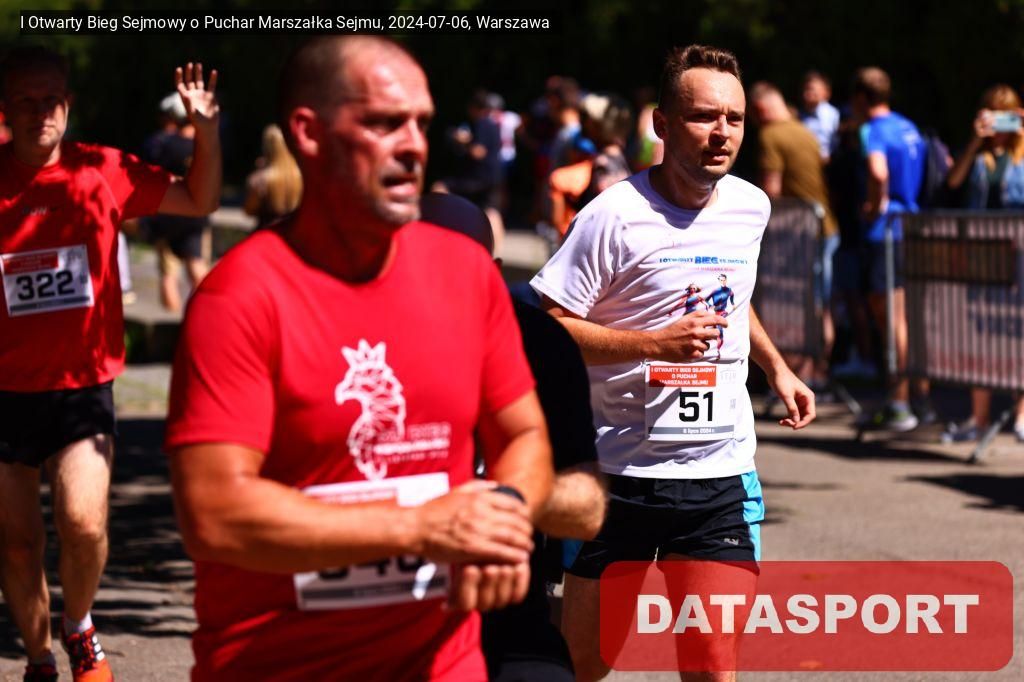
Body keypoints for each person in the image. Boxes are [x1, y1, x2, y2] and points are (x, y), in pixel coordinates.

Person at [164, 37, 554, 681]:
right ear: (309, 133)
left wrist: (503, 515)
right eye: (384, 123)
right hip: (279, 666)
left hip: (443, 662)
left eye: (421, 123)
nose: (414, 145)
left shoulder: (464, 272)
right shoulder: (240, 295)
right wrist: (420, 529)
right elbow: (213, 512)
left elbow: (524, 436)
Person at [530, 44, 816, 682]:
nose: (722, 133)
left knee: (711, 667)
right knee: (586, 664)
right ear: (662, 124)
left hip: (720, 476)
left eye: (734, 119)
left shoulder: (751, 206)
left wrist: (776, 367)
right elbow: (550, 329)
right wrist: (652, 345)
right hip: (617, 476)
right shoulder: (612, 216)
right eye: (704, 116)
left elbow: (731, 295)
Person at [0, 46, 221, 682]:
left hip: (81, 385)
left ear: (67, 105)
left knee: (82, 521)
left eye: (51, 100)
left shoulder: (102, 168)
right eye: (26, 101)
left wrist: (205, 132)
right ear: (6, 110)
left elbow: (199, 199)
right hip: (4, 390)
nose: (41, 113)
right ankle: (39, 659)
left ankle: (79, 626)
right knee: (17, 543)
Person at [420, 191, 607, 682]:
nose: (440, 280)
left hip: (506, 609)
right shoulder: (354, 336)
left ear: (493, 271)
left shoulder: (538, 342)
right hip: (382, 609)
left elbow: (586, 506)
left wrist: (493, 498)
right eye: (424, 261)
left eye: (461, 264)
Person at [851, 66, 933, 431]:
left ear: (861, 98)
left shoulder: (874, 129)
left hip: (885, 232)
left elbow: (878, 171)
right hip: (910, 226)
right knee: (907, 318)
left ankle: (900, 403)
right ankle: (919, 397)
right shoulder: (908, 126)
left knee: (892, 319)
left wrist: (873, 207)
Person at [942, 84, 1024, 443]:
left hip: (1018, 255)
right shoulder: (977, 156)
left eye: (1008, 116)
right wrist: (975, 141)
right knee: (980, 335)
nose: (1001, 126)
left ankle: (1021, 415)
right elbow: (953, 182)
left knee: (1017, 332)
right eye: (995, 115)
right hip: (982, 256)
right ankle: (978, 417)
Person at [749, 80, 840, 390]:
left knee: (796, 305)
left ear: (760, 110)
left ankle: (803, 376)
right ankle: (818, 373)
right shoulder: (804, 130)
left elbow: (770, 191)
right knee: (818, 304)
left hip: (799, 235)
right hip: (824, 229)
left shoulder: (771, 134)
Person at [140, 92, 212, 313]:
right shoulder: (203, 145)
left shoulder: (161, 143)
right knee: (197, 265)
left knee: (169, 273)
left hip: (167, 214)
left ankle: (171, 320)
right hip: (196, 215)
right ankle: (207, 313)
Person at [243, 124, 302, 228]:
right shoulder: (301, 177)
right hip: (295, 233)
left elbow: (249, 210)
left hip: (267, 232)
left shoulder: (260, 179)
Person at [798, 70, 840, 162]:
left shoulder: (833, 114)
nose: (809, 93)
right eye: (806, 89)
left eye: (812, 89)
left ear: (826, 92)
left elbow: (834, 142)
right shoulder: (798, 116)